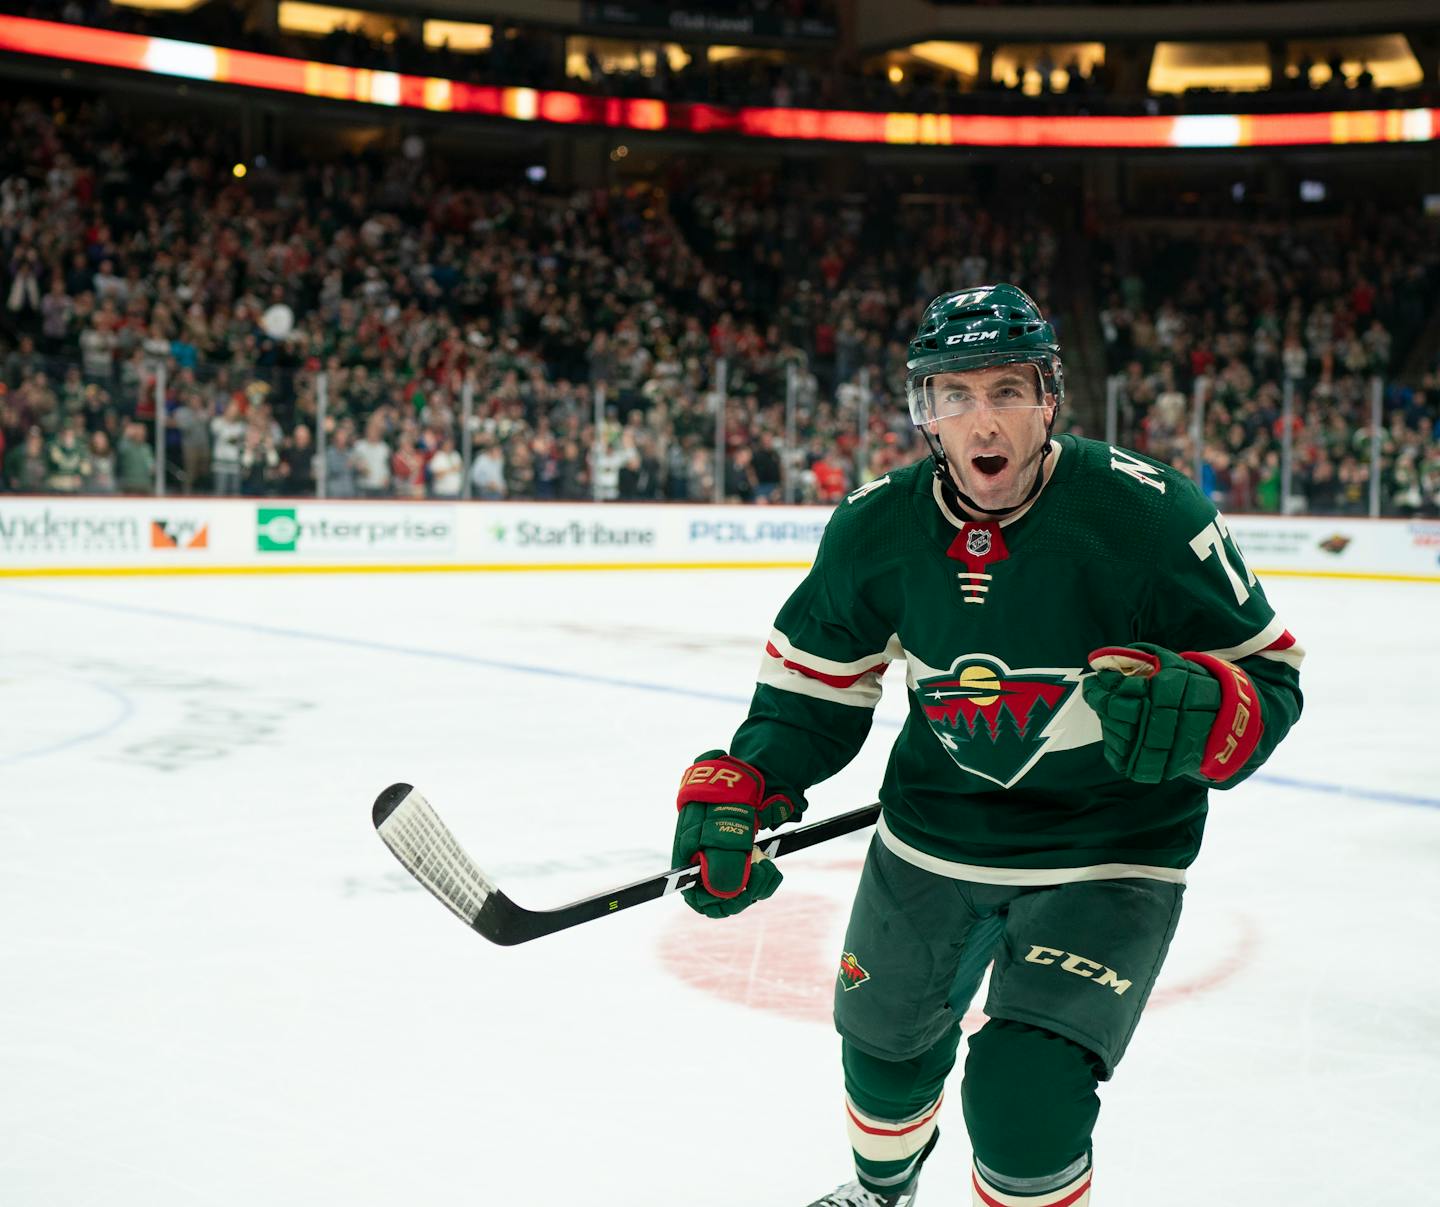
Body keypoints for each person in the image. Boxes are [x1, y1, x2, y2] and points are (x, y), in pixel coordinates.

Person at [669, 284, 1304, 1207]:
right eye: (955, 394)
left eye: (1007, 388)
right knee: (883, 1049)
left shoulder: (1148, 515)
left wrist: (1214, 708)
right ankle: (882, 1194)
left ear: (1050, 397)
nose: (983, 418)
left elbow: (1271, 679)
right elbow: (813, 694)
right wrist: (751, 778)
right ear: (925, 411)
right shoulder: (877, 527)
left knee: (1023, 1099)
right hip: (934, 832)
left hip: (1108, 847)